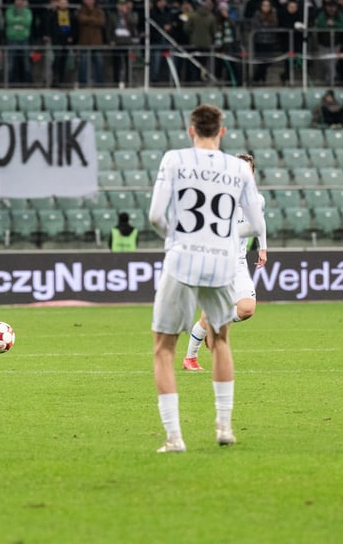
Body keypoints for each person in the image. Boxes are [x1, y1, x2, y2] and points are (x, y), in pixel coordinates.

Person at [147, 104, 265, 453]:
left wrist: (174, 237)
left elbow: (155, 215)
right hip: (221, 263)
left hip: (182, 259)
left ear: (190, 131)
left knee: (163, 349)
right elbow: (257, 225)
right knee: (222, 339)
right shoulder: (238, 169)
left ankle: (174, 437)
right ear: (223, 132)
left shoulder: (174, 159)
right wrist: (226, 238)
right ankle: (225, 427)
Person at [182, 153, 268, 372]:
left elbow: (260, 222)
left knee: (247, 309)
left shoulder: (257, 199)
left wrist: (263, 247)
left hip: (238, 261)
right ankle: (190, 358)